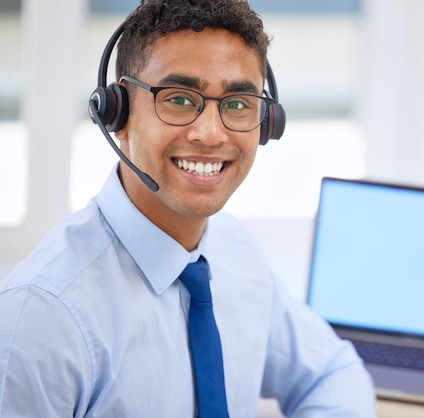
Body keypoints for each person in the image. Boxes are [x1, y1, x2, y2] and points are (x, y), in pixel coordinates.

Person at [0, 0, 376, 416]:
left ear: (267, 123)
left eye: (236, 104)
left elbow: (333, 373)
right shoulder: (43, 315)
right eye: (179, 99)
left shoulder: (236, 253)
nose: (210, 134)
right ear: (117, 113)